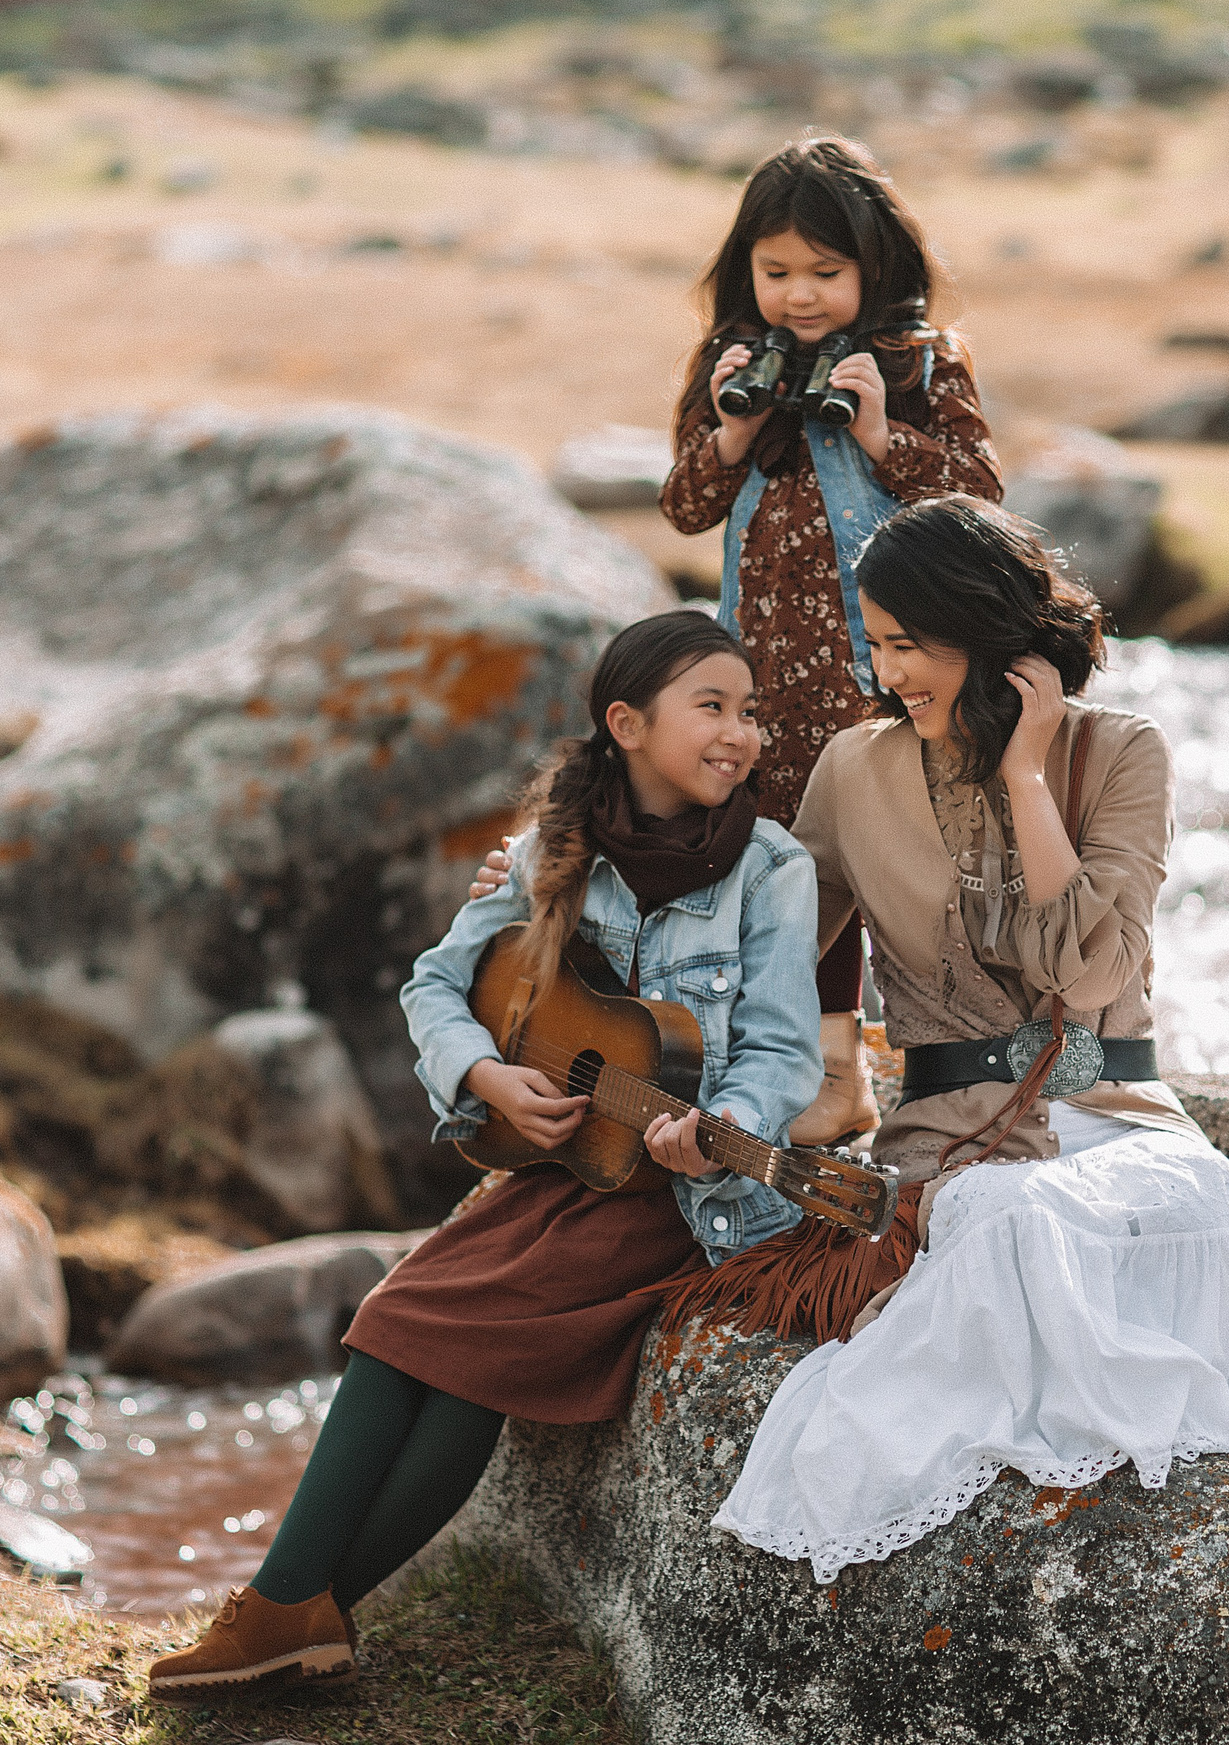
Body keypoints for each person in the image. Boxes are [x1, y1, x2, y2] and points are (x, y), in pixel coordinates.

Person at [653, 498, 1229, 1582]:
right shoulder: (852, 768)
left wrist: (1028, 776)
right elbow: (759, 947)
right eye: (877, 642)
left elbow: (1092, 972)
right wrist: (558, 883)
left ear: (987, 631)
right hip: (958, 1141)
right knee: (1006, 1223)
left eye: (909, 642)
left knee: (1199, 1210)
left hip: (1115, 1114)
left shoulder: (1120, 752)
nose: (888, 670)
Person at [145, 611, 820, 1707]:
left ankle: (290, 1612)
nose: (742, 732)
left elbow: (785, 1050)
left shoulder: (771, 869)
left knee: (441, 1336)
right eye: (714, 706)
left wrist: (719, 1121)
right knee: (402, 1324)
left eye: (749, 711)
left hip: (682, 1195)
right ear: (627, 722)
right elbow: (434, 984)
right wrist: (484, 1078)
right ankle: (296, 1618)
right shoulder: (555, 845)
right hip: (563, 1167)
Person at [660, 134, 1000, 1149]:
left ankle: (956, 1074)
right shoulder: (733, 360)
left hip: (881, 677)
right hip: (762, 679)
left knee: (900, 871)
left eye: (825, 272)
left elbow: (979, 496)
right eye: (776, 272)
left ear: (875, 269)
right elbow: (682, 504)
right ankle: (829, 1072)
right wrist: (728, 426)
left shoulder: (917, 360)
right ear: (743, 270)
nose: (799, 296)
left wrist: (880, 429)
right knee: (785, 876)